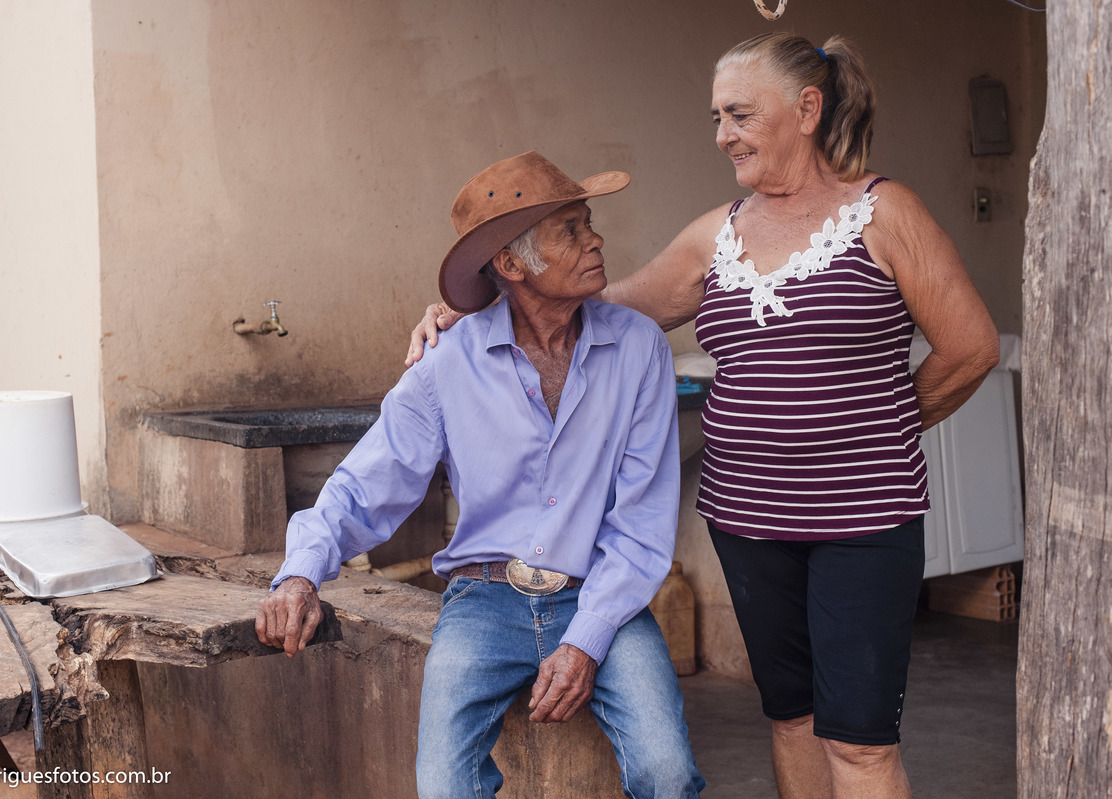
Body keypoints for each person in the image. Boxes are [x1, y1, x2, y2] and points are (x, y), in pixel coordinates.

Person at [407, 33, 1000, 799]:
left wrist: (878, 428)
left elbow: (971, 347)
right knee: (791, 719)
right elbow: (597, 306)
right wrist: (471, 312)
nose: (723, 135)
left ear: (807, 110)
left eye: (741, 115)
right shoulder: (716, 235)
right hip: (747, 522)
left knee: (858, 741)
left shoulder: (886, 214)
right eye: (717, 117)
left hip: (865, 521)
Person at [257, 150, 706, 798]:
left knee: (668, 771)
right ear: (512, 264)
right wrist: (301, 572)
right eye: (571, 230)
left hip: (599, 590)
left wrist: (585, 638)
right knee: (444, 784)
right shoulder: (448, 364)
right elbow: (365, 485)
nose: (596, 240)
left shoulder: (637, 348)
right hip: (484, 598)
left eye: (588, 222)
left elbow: (640, 520)